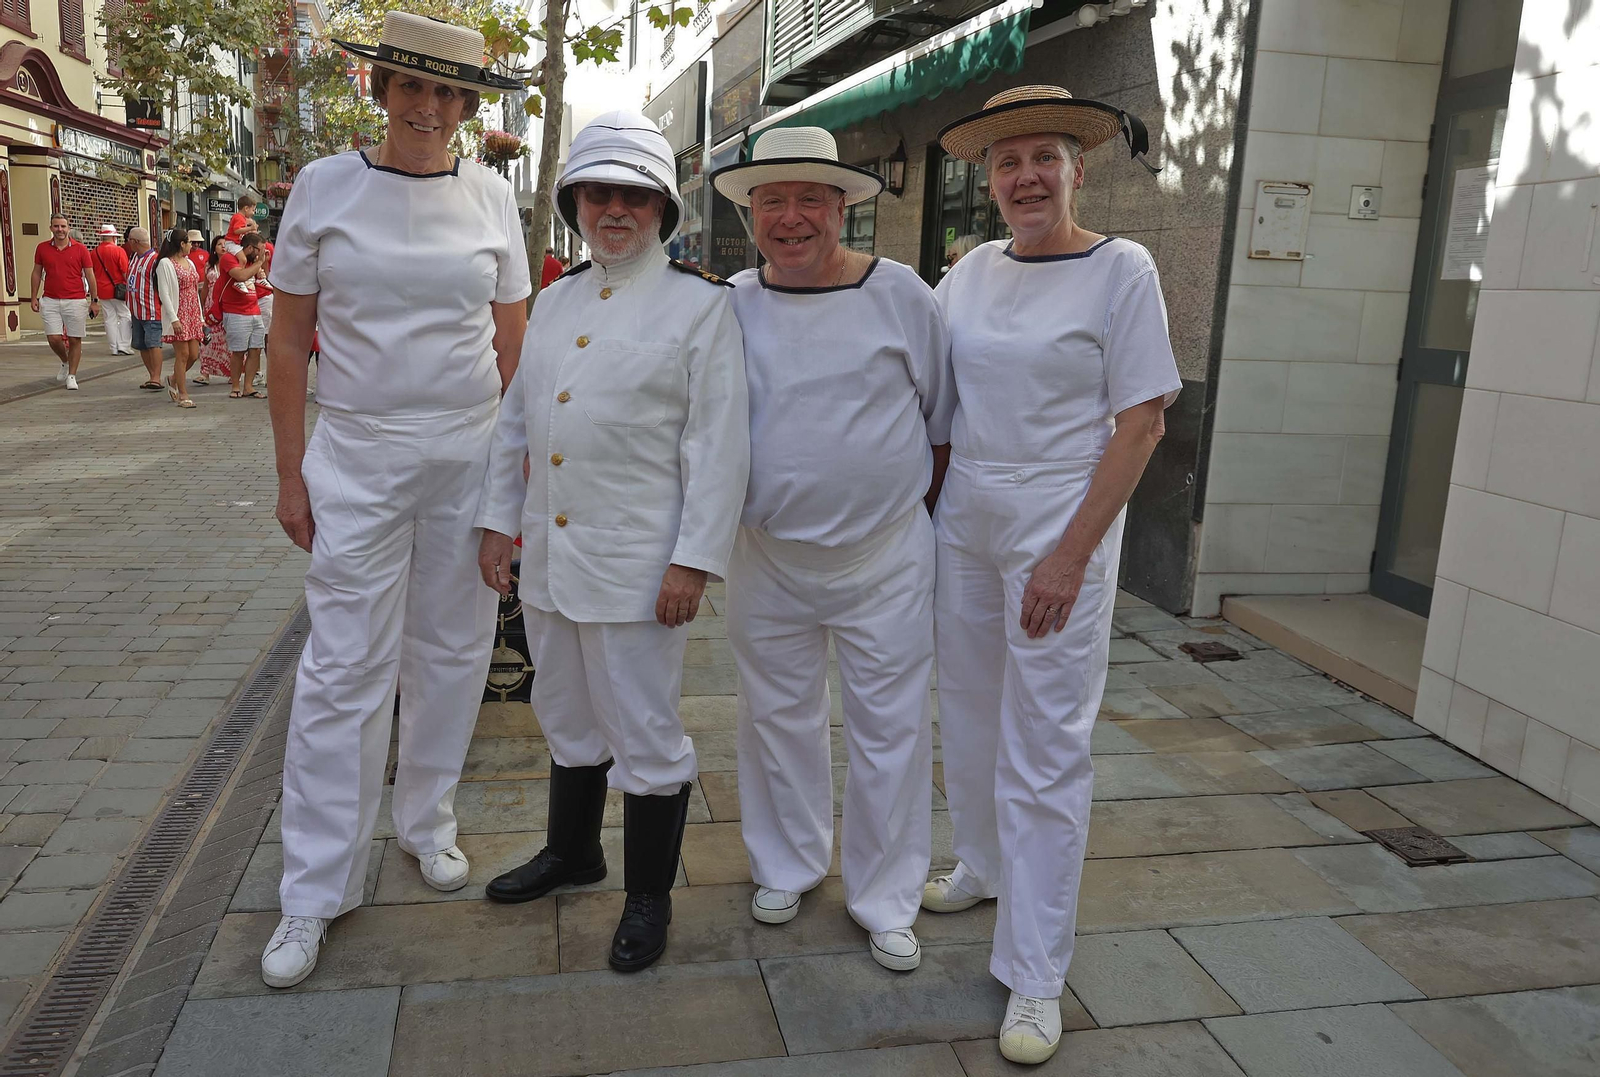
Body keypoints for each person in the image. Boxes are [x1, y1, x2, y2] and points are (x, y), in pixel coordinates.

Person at [261, 10, 530, 990]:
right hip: (359, 454)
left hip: (466, 452)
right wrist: (293, 471)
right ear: (379, 90)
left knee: (455, 649)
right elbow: (288, 342)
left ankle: (427, 820)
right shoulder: (327, 189)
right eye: (410, 87)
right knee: (342, 667)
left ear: (465, 106)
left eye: (447, 93)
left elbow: (514, 349)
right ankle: (313, 889)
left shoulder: (494, 198)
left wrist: (517, 485)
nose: (427, 107)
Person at [920, 86, 1177, 1066]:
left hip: (1058, 529)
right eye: (1006, 162)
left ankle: (1033, 973)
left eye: (1044, 158)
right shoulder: (971, 272)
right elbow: (922, 383)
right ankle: (982, 864)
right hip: (966, 527)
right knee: (973, 718)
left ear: (1078, 167)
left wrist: (1069, 555)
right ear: (988, 180)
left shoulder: (1122, 270)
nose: (1025, 177)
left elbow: (1141, 421)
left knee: (1046, 751)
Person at [476, 110, 748, 974]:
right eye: (598, 193)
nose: (614, 209)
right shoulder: (553, 301)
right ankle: (573, 851)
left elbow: (719, 445)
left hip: (641, 569)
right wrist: (496, 524)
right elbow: (514, 424)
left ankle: (648, 895)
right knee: (564, 713)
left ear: (662, 207)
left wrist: (694, 560)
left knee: (645, 730)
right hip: (552, 565)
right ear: (575, 204)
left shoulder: (702, 308)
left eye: (634, 194)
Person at [708, 127, 953, 973]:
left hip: (883, 556)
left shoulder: (904, 295)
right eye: (770, 199)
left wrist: (894, 509)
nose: (790, 216)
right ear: (750, 213)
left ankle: (886, 897)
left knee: (891, 729)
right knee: (776, 715)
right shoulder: (731, 301)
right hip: (766, 555)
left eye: (809, 196)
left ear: (842, 205)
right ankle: (789, 862)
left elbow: (941, 425)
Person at [31, 215, 99, 390]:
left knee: (75, 338)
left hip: (75, 299)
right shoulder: (42, 248)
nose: (59, 230)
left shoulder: (81, 249)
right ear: (51, 228)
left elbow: (90, 275)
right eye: (56, 226)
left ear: (68, 228)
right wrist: (33, 296)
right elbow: (37, 273)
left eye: (63, 226)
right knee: (53, 338)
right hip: (50, 299)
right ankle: (65, 361)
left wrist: (94, 300)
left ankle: (72, 376)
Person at [155, 228, 203, 408]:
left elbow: (194, 290)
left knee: (193, 354)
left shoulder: (189, 262)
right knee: (182, 355)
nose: (192, 246)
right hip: (179, 312)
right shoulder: (165, 264)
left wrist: (200, 314)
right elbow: (164, 293)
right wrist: (173, 318)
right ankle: (183, 393)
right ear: (182, 244)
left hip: (192, 312)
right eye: (190, 242)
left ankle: (173, 379)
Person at [218, 233, 268, 398]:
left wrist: (261, 266)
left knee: (255, 349)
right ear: (249, 248)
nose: (261, 254)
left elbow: (262, 278)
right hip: (235, 312)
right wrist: (260, 262)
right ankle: (235, 386)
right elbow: (240, 276)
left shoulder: (253, 262)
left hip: (254, 310)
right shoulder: (228, 258)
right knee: (238, 351)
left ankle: (249, 386)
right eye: (259, 250)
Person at [126, 228, 164, 391]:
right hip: (136, 310)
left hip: (151, 309)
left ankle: (157, 377)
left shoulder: (155, 260)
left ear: (135, 242)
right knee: (141, 344)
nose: (128, 243)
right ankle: (151, 375)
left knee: (153, 343)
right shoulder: (134, 257)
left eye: (129, 240)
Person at [194, 236, 232, 386]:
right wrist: (202, 308)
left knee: (228, 340)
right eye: (219, 244)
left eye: (225, 244)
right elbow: (205, 288)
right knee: (208, 339)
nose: (222, 247)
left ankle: (233, 372)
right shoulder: (209, 266)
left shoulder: (233, 263)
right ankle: (205, 373)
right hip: (211, 305)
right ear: (214, 248)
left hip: (227, 304)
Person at [93, 224, 133, 355]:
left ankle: (113, 347)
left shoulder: (94, 252)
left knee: (109, 319)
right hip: (119, 289)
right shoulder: (118, 251)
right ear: (113, 237)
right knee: (125, 316)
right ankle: (124, 345)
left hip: (102, 290)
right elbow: (125, 272)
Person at [254, 233, 275, 388]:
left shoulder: (267, 248)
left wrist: (264, 262)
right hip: (248, 297)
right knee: (254, 339)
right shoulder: (242, 248)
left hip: (264, 297)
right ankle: (257, 373)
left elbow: (270, 276)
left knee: (267, 338)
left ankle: (271, 375)